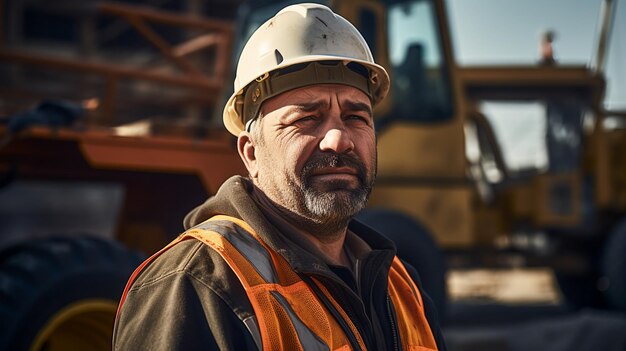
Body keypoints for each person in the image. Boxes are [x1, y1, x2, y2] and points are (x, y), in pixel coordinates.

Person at [113, 3, 446, 350]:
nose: (339, 140)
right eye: (306, 118)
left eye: (356, 118)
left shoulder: (402, 286)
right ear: (251, 153)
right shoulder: (196, 284)